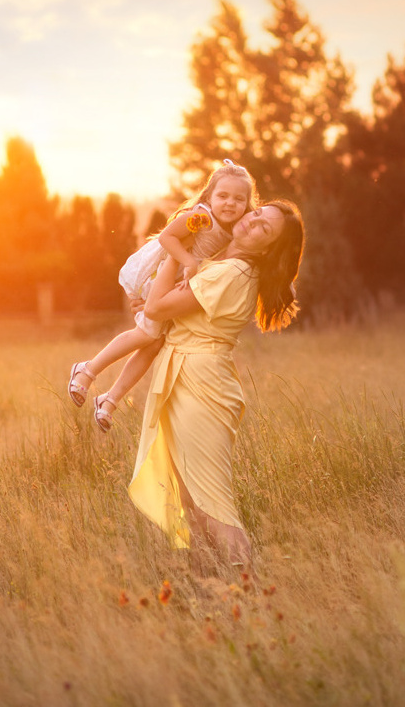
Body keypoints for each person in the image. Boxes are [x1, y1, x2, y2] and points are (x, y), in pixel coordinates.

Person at [127, 200, 304, 575]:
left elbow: (157, 309)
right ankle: (211, 592)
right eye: (257, 213)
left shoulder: (234, 272)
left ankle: (250, 592)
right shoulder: (222, 264)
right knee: (190, 501)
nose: (251, 221)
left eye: (264, 229)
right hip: (187, 373)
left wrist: (177, 249)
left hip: (201, 384)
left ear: (267, 248)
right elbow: (166, 307)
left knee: (211, 504)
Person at [67, 161, 255, 431]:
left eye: (239, 199)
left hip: (179, 292)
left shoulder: (235, 232)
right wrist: (189, 261)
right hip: (165, 278)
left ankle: (109, 400)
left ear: (248, 203)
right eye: (222, 196)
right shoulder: (200, 217)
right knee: (145, 335)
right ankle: (87, 370)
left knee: (153, 344)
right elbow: (167, 237)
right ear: (209, 195)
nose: (229, 203)